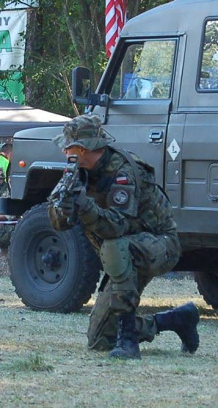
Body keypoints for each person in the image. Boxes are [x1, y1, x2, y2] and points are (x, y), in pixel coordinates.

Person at [48, 114, 199, 359]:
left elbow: (117, 227)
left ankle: (128, 339)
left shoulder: (122, 172)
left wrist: (85, 206)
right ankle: (177, 320)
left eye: (69, 145)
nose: (64, 150)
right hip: (121, 251)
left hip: (159, 244)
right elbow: (59, 223)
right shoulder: (78, 173)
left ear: (84, 147)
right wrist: (62, 210)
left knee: (115, 245)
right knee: (99, 339)